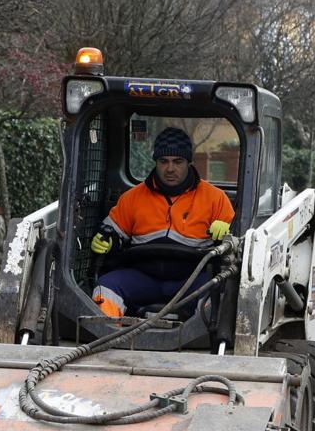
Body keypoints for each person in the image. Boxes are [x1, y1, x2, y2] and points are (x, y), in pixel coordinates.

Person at [90, 126, 234, 318]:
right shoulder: (132, 198)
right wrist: (106, 239)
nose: (170, 168)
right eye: (163, 161)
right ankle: (107, 339)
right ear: (156, 162)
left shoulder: (216, 199)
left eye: (178, 161)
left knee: (220, 291)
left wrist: (226, 234)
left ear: (189, 162)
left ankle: (201, 342)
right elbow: (112, 231)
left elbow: (236, 247)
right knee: (105, 289)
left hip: (192, 281)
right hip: (143, 277)